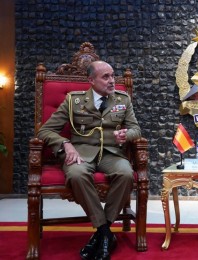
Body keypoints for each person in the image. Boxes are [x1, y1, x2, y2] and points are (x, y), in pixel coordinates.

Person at [38, 61, 141, 260]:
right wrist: (65, 144)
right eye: (106, 77)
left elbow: (136, 130)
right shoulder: (73, 100)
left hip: (112, 153)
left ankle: (102, 232)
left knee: (126, 173)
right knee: (76, 174)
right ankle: (104, 233)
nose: (112, 81)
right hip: (81, 153)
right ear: (91, 80)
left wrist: (126, 135)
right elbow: (45, 131)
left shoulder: (122, 99)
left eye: (112, 75)